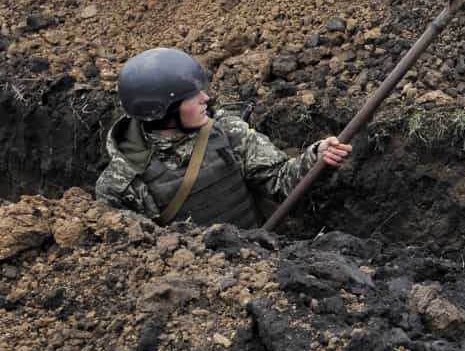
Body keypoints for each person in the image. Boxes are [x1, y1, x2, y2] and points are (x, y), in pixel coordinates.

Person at [94, 47, 352, 229]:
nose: (206, 99)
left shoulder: (227, 131)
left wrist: (315, 157)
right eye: (193, 97)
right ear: (165, 112)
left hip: (261, 263)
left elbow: (279, 180)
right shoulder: (120, 184)